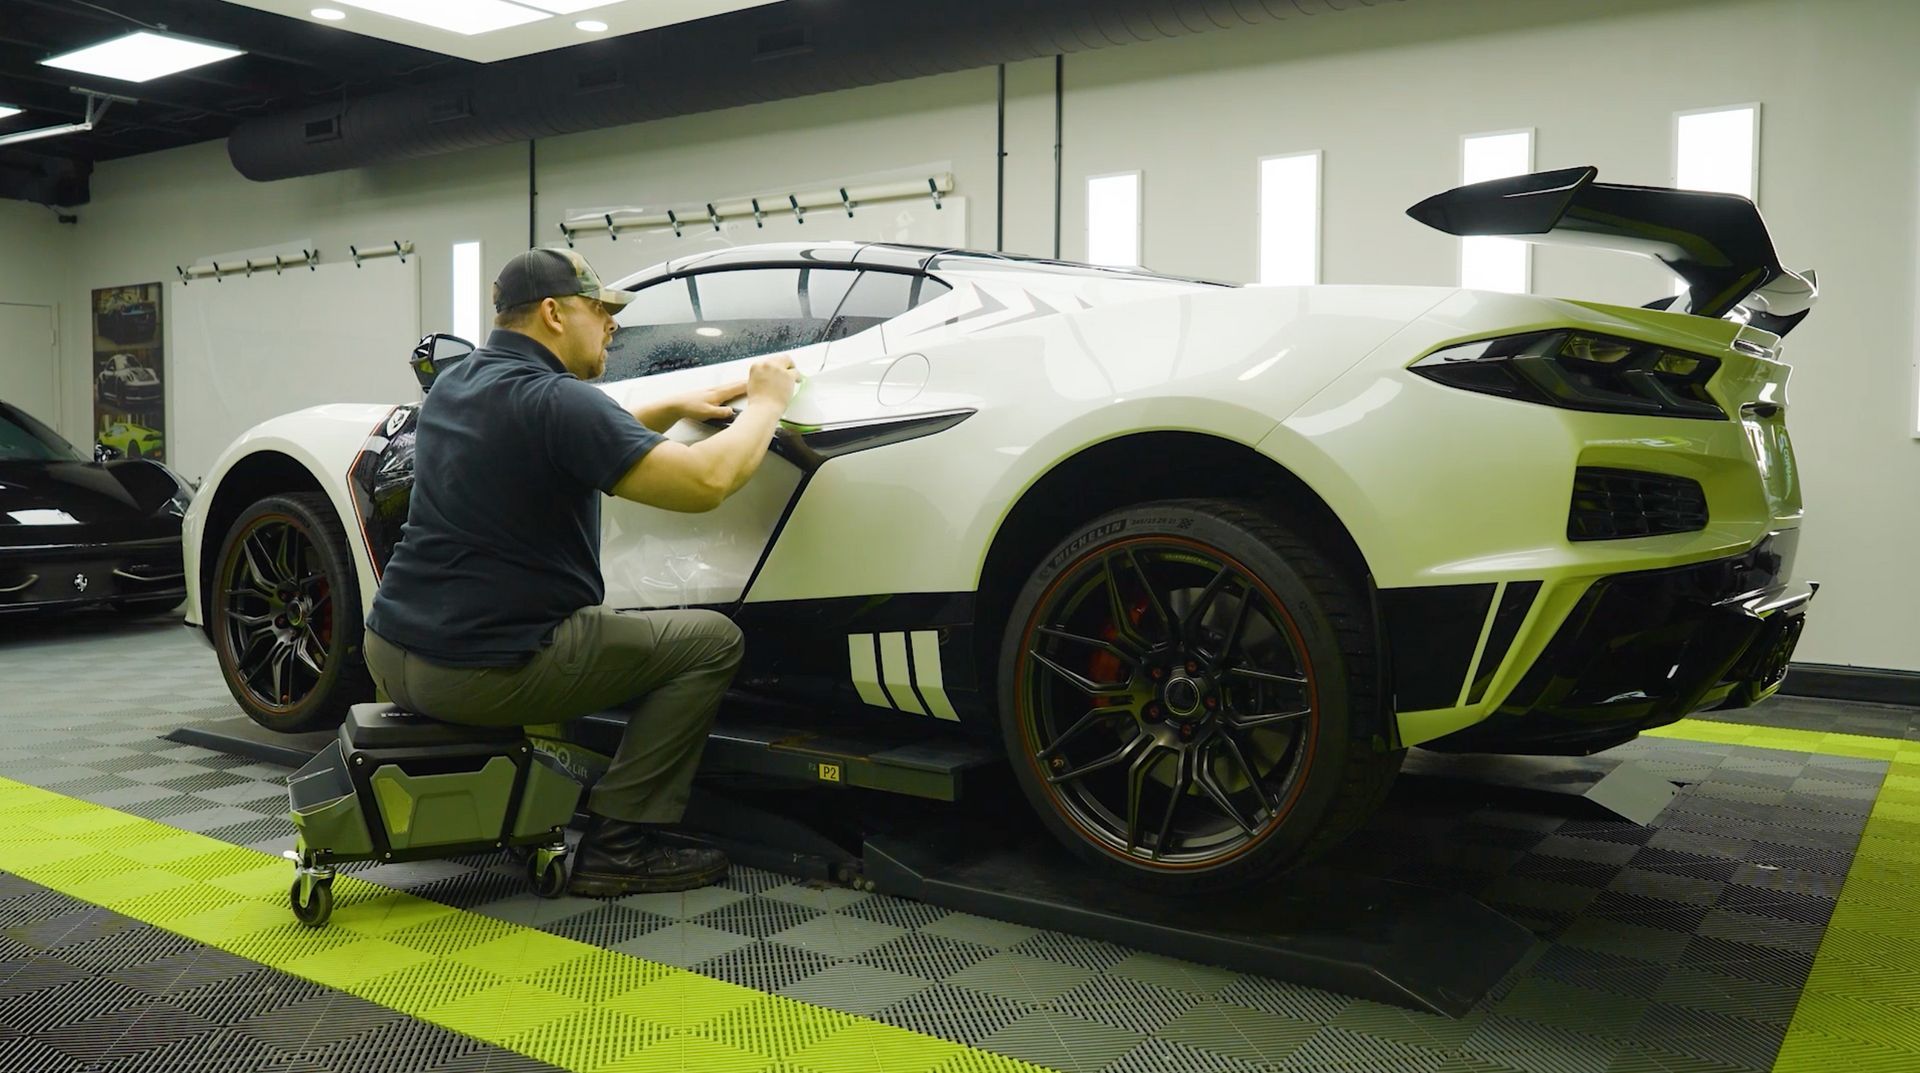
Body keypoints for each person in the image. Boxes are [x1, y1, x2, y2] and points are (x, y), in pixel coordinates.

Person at [362, 247, 798, 895]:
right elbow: (709, 481)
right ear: (553, 313)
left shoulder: (460, 382)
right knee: (711, 643)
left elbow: (569, 439)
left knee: (579, 623)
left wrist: (677, 403)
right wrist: (767, 401)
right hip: (477, 672)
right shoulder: (557, 399)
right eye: (603, 315)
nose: (610, 332)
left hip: (392, 654)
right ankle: (620, 844)